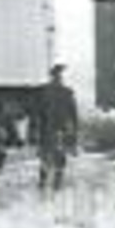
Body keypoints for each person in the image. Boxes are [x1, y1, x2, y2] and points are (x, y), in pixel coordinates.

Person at [37, 63, 79, 191]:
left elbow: (39, 114)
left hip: (48, 130)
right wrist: (73, 135)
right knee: (59, 159)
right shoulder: (67, 93)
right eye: (59, 76)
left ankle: (43, 184)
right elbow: (73, 116)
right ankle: (56, 185)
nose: (59, 78)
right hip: (60, 130)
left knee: (46, 158)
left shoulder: (44, 92)